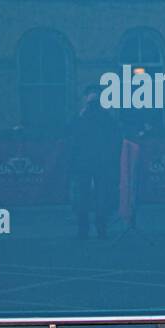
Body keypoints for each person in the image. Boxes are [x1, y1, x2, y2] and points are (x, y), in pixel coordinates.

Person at [67, 84, 121, 238]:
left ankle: (84, 229)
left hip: (84, 163)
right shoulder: (106, 117)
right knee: (100, 196)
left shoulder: (81, 117)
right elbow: (115, 138)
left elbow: (71, 135)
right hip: (100, 163)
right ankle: (100, 228)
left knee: (83, 197)